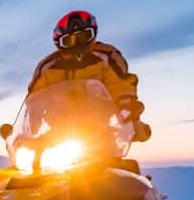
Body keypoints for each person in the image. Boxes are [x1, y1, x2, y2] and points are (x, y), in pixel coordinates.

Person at [28, 10, 151, 142]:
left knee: (117, 157)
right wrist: (30, 129)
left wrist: (127, 109)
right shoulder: (47, 68)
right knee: (30, 157)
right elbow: (34, 100)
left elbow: (120, 85)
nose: (78, 44)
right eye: (69, 40)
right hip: (59, 134)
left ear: (93, 34)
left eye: (84, 36)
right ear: (59, 42)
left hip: (100, 131)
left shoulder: (107, 57)